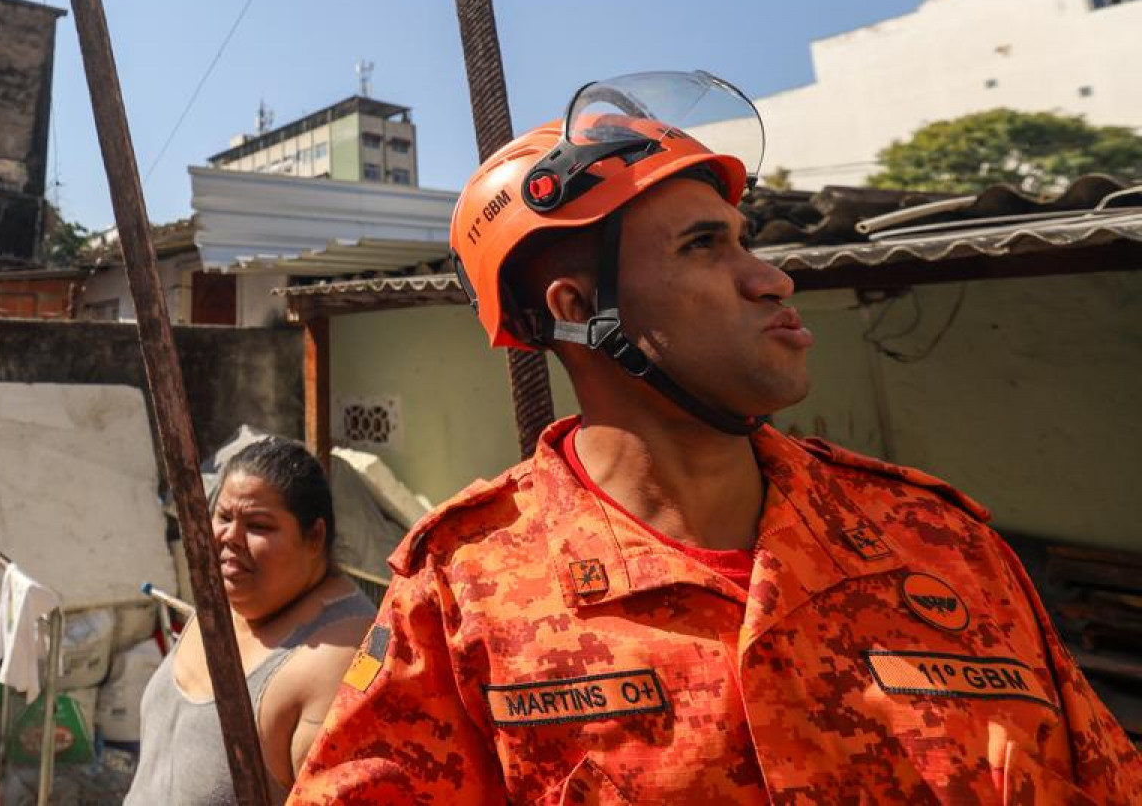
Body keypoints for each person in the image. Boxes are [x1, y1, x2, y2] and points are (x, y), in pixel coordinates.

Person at [291, 71, 1142, 802]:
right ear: (578, 309)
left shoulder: (944, 546)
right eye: (704, 246)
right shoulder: (462, 593)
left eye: (747, 240)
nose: (771, 276)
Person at [127, 437, 375, 804]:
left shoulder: (343, 656)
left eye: (258, 526)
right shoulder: (223, 604)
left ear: (315, 537)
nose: (231, 538)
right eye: (224, 517)